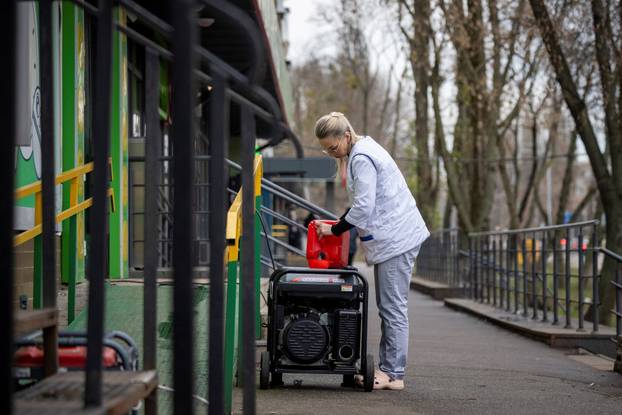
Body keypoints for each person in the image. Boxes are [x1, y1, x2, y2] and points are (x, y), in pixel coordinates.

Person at [314, 112, 429, 390]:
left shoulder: (362, 158)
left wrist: (335, 229)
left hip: (396, 239)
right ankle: (391, 370)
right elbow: (363, 204)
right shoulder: (363, 150)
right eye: (326, 149)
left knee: (392, 308)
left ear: (346, 136)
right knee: (390, 306)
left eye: (333, 147)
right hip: (396, 236)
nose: (332, 153)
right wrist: (341, 221)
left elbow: (363, 207)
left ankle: (393, 373)